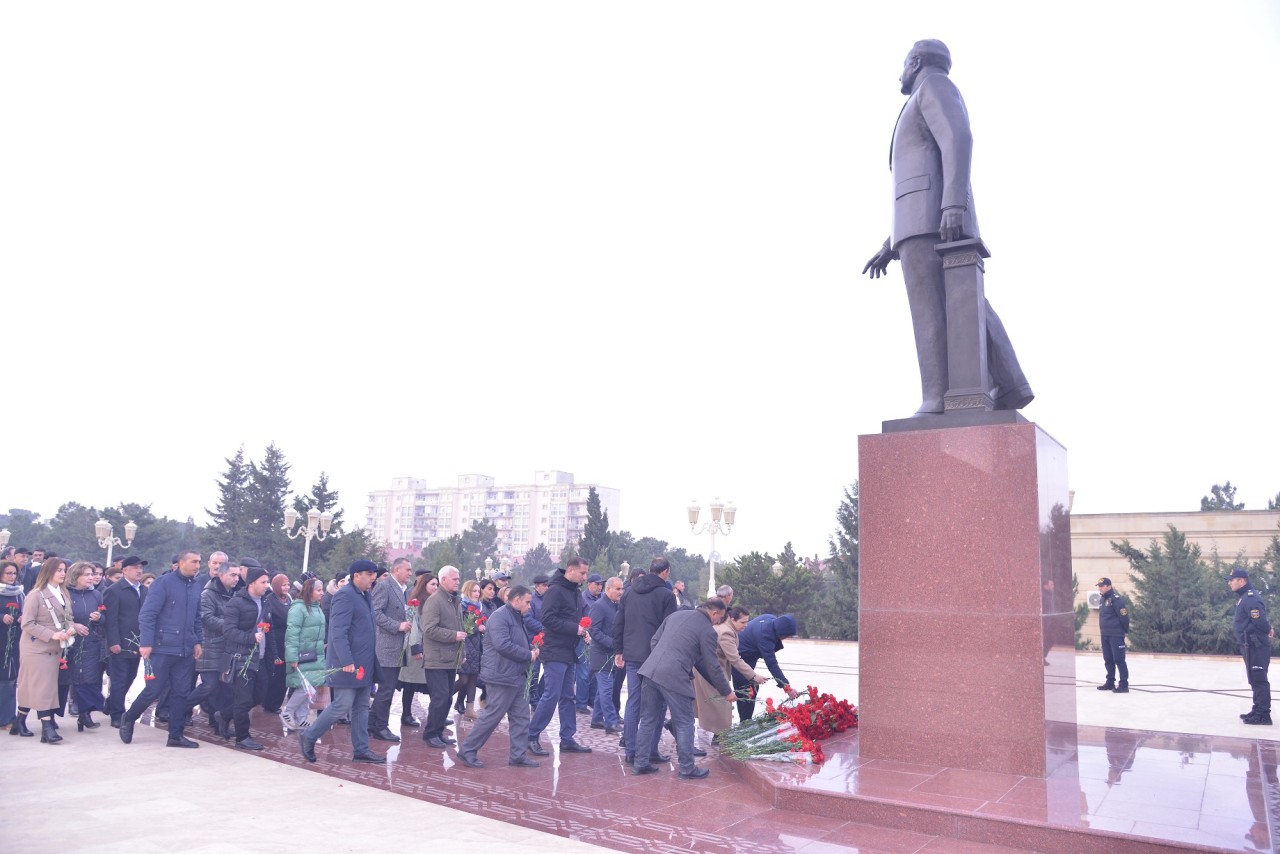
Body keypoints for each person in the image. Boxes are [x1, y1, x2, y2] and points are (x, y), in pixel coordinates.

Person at [861, 39, 1032, 417]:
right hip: (919, 221)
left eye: (904, 64)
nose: (900, 74)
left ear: (916, 61)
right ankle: (1012, 382)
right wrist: (891, 243)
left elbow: (958, 138)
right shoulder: (925, 93)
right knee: (964, 303)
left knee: (931, 310)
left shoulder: (933, 86)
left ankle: (936, 397)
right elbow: (928, 167)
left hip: (932, 220)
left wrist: (952, 203)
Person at [632, 599, 736, 779]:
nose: (719, 621)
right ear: (713, 613)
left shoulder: (675, 615)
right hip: (674, 677)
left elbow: (654, 641)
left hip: (650, 672)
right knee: (685, 722)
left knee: (648, 719)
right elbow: (713, 665)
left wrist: (663, 661)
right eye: (720, 617)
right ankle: (687, 768)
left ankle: (640, 763)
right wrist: (726, 691)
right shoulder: (707, 631)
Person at [299, 560, 384, 764]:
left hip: (364, 663)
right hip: (348, 663)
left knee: (362, 706)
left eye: (374, 573)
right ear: (356, 575)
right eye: (369, 573)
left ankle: (361, 750)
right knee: (341, 705)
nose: (373, 577)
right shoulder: (345, 596)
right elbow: (338, 632)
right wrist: (346, 660)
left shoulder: (365, 596)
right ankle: (309, 736)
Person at [119, 551, 204, 749]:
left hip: (185, 649)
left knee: (181, 693)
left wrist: (197, 641)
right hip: (162, 647)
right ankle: (129, 717)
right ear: (181, 563)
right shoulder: (164, 583)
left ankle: (175, 735)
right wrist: (146, 643)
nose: (198, 565)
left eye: (199, 562)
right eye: (194, 562)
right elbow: (147, 615)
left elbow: (197, 617)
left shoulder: (196, 585)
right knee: (153, 690)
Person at [455, 585, 541, 769]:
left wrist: (530, 650)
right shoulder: (500, 617)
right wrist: (528, 655)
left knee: (521, 716)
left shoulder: (516, 616)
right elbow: (503, 645)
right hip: (501, 675)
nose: (529, 606)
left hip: (515, 675)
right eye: (527, 602)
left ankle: (518, 755)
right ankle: (468, 750)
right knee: (492, 716)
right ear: (516, 600)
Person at [527, 557, 594, 757]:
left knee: (567, 696)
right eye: (582, 573)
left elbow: (579, 615)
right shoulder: (555, 590)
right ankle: (532, 735)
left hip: (569, 650)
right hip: (555, 649)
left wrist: (584, 631)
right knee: (551, 694)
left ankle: (567, 738)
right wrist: (576, 629)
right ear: (571, 571)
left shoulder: (574, 591)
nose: (585, 577)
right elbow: (547, 619)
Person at [614, 557, 677, 764]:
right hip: (655, 657)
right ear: (665, 572)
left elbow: (619, 623)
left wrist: (619, 650)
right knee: (657, 705)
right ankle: (650, 751)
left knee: (633, 702)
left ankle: (631, 751)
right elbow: (669, 629)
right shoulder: (666, 595)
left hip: (632, 655)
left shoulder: (629, 592)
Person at [16, 558, 73, 743]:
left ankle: (19, 721)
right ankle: (47, 729)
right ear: (48, 571)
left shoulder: (63, 593)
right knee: (43, 688)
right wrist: (51, 634)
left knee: (33, 686)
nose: (63, 573)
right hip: (36, 648)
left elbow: (68, 617)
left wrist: (70, 627)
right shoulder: (36, 594)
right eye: (58, 570)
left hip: (54, 647)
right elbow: (27, 623)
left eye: (64, 570)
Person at [694, 605, 767, 738]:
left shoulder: (725, 628)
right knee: (723, 704)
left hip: (708, 669)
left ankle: (719, 736)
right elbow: (735, 659)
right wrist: (754, 676)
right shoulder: (726, 632)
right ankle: (721, 737)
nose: (745, 625)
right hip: (709, 671)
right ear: (732, 619)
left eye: (747, 622)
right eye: (743, 622)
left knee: (716, 704)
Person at [222, 565, 273, 750]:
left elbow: (270, 630)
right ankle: (242, 737)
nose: (267, 585)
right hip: (241, 658)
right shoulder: (237, 602)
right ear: (252, 583)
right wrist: (250, 638)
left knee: (259, 695)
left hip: (260, 658)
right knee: (243, 700)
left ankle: (225, 715)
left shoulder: (266, 602)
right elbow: (228, 631)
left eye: (267, 582)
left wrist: (273, 656)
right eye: (264, 582)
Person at [186, 559, 238, 736]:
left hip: (226, 648)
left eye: (237, 575)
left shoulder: (233, 593)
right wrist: (230, 625)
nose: (236, 578)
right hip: (210, 646)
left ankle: (219, 724)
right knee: (209, 685)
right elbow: (206, 618)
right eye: (232, 575)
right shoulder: (208, 593)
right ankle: (179, 708)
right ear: (221, 575)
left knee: (225, 689)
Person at [420, 565, 465, 748]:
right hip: (436, 659)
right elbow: (429, 629)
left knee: (447, 698)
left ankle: (438, 732)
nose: (458, 581)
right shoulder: (435, 600)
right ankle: (430, 733)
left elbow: (461, 629)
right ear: (443, 580)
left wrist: (461, 654)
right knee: (440, 697)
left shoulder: (453, 601)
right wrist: (453, 636)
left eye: (458, 578)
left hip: (450, 658)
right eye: (454, 579)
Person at [370, 557, 413, 742]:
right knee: (386, 689)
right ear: (397, 570)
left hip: (397, 647)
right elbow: (376, 613)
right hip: (386, 646)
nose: (410, 573)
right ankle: (380, 727)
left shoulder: (403, 590)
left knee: (388, 688)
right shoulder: (385, 586)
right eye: (408, 570)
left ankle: (371, 723)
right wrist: (398, 626)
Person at [102, 556, 147, 728]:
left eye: (140, 568)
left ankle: (111, 703)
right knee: (119, 679)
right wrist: (113, 641)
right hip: (120, 642)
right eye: (135, 567)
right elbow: (110, 619)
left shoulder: (143, 589)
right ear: (125, 570)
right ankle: (117, 714)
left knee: (131, 676)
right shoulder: (115, 590)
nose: (139, 571)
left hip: (138, 642)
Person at [1229, 567, 1274, 725]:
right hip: (1250, 644)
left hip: (1256, 645)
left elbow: (1259, 620)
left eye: (1232, 580)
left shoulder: (1250, 598)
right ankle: (1257, 709)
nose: (1230, 583)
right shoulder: (1245, 597)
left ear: (1242, 581)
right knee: (1254, 678)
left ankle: (1263, 715)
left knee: (1259, 678)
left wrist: (1269, 629)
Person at [282, 576, 328, 730]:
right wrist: (292, 657)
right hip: (303, 655)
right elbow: (292, 635)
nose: (322, 593)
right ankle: (287, 712)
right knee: (304, 686)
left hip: (315, 654)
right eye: (319, 590)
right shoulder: (298, 608)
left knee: (310, 687)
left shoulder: (316, 607)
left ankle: (301, 718)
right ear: (310, 591)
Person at [735, 613, 799, 722]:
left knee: (749, 688)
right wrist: (787, 687)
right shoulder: (765, 636)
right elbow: (772, 664)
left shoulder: (771, 620)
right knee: (747, 689)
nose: (786, 638)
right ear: (782, 631)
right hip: (738, 656)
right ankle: (744, 723)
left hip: (749, 654)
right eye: (787, 635)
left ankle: (745, 722)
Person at [66, 561, 107, 731]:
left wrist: (99, 618)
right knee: (76, 678)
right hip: (70, 643)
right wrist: (73, 626)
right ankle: (81, 712)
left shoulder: (96, 595)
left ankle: (85, 713)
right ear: (76, 576)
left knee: (90, 679)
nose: (92, 577)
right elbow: (60, 618)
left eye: (93, 574)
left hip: (91, 643)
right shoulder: (66, 594)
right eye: (87, 574)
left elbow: (104, 619)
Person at [398, 572, 438, 716]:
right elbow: (413, 625)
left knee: (433, 684)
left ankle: (436, 715)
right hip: (416, 647)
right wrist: (416, 647)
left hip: (431, 648)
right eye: (432, 584)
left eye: (437, 585)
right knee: (410, 682)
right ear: (424, 585)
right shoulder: (416, 602)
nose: (435, 587)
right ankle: (406, 715)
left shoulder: (435, 601)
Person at [587, 576, 624, 734]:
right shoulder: (599, 606)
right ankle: (611, 722)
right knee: (606, 690)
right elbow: (594, 631)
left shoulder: (616, 605)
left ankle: (596, 720)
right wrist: (613, 644)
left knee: (603, 690)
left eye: (622, 589)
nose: (621, 592)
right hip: (600, 655)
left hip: (611, 654)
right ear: (608, 589)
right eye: (618, 589)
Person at [454, 579, 485, 720]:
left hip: (476, 646)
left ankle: (470, 709)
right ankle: (444, 698)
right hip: (464, 646)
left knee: (473, 678)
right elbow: (460, 626)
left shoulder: (479, 607)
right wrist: (476, 628)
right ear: (467, 590)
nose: (476, 594)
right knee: (464, 680)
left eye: (478, 591)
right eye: (474, 590)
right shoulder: (461, 606)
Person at [262, 573, 292, 714]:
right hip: (275, 641)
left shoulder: (288, 599)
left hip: (287, 642)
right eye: (283, 585)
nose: (286, 587)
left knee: (284, 675)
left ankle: (277, 702)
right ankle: (269, 703)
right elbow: (269, 624)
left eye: (287, 584)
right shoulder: (269, 600)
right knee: (276, 674)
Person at [1095, 577, 1131, 693]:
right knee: (1108, 659)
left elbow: (1124, 617)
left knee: (1119, 659)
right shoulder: (1102, 599)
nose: (1100, 588)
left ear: (1109, 586)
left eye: (1102, 586)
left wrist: (1122, 632)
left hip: (1115, 635)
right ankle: (1110, 682)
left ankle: (1123, 685)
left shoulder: (1116, 600)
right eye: (1099, 586)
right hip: (1105, 634)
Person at [0, 560, 24, 729]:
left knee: (9, 680)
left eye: (14, 573)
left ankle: (7, 718)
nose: (11, 576)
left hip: (13, 641)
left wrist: (24, 617)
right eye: (8, 573)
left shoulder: (20, 593)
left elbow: (28, 611)